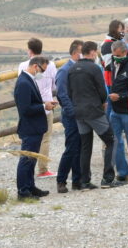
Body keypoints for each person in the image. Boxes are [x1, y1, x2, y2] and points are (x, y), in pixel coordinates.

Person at [68, 41, 121, 189]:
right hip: (94, 111)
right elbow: (102, 91)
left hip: (79, 112)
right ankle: (108, 179)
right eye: (96, 52)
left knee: (86, 146)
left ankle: (85, 181)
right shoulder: (94, 68)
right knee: (112, 140)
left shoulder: (72, 69)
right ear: (91, 52)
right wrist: (103, 102)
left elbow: (69, 91)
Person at [14, 56, 55, 200]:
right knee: (26, 160)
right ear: (35, 66)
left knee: (32, 159)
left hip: (35, 127)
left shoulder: (29, 80)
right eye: (42, 70)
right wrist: (44, 106)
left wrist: (45, 103)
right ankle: (23, 191)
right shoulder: (24, 83)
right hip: (30, 128)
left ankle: (30, 186)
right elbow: (25, 109)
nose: (43, 73)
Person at [17, 37, 56, 178]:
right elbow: (54, 85)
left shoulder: (22, 66)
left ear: (30, 50)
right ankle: (43, 169)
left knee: (30, 141)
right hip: (46, 105)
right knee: (45, 138)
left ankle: (28, 173)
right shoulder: (50, 65)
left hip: (29, 107)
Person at [107, 40, 128, 182]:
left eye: (118, 55)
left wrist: (121, 96)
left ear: (125, 52)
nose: (116, 57)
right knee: (116, 143)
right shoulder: (114, 64)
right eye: (114, 55)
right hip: (115, 111)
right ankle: (122, 172)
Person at [54, 40, 84, 193]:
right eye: (81, 51)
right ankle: (61, 180)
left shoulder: (79, 68)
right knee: (71, 148)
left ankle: (77, 181)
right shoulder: (65, 70)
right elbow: (62, 93)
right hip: (71, 116)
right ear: (74, 52)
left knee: (79, 148)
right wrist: (72, 111)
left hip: (81, 114)